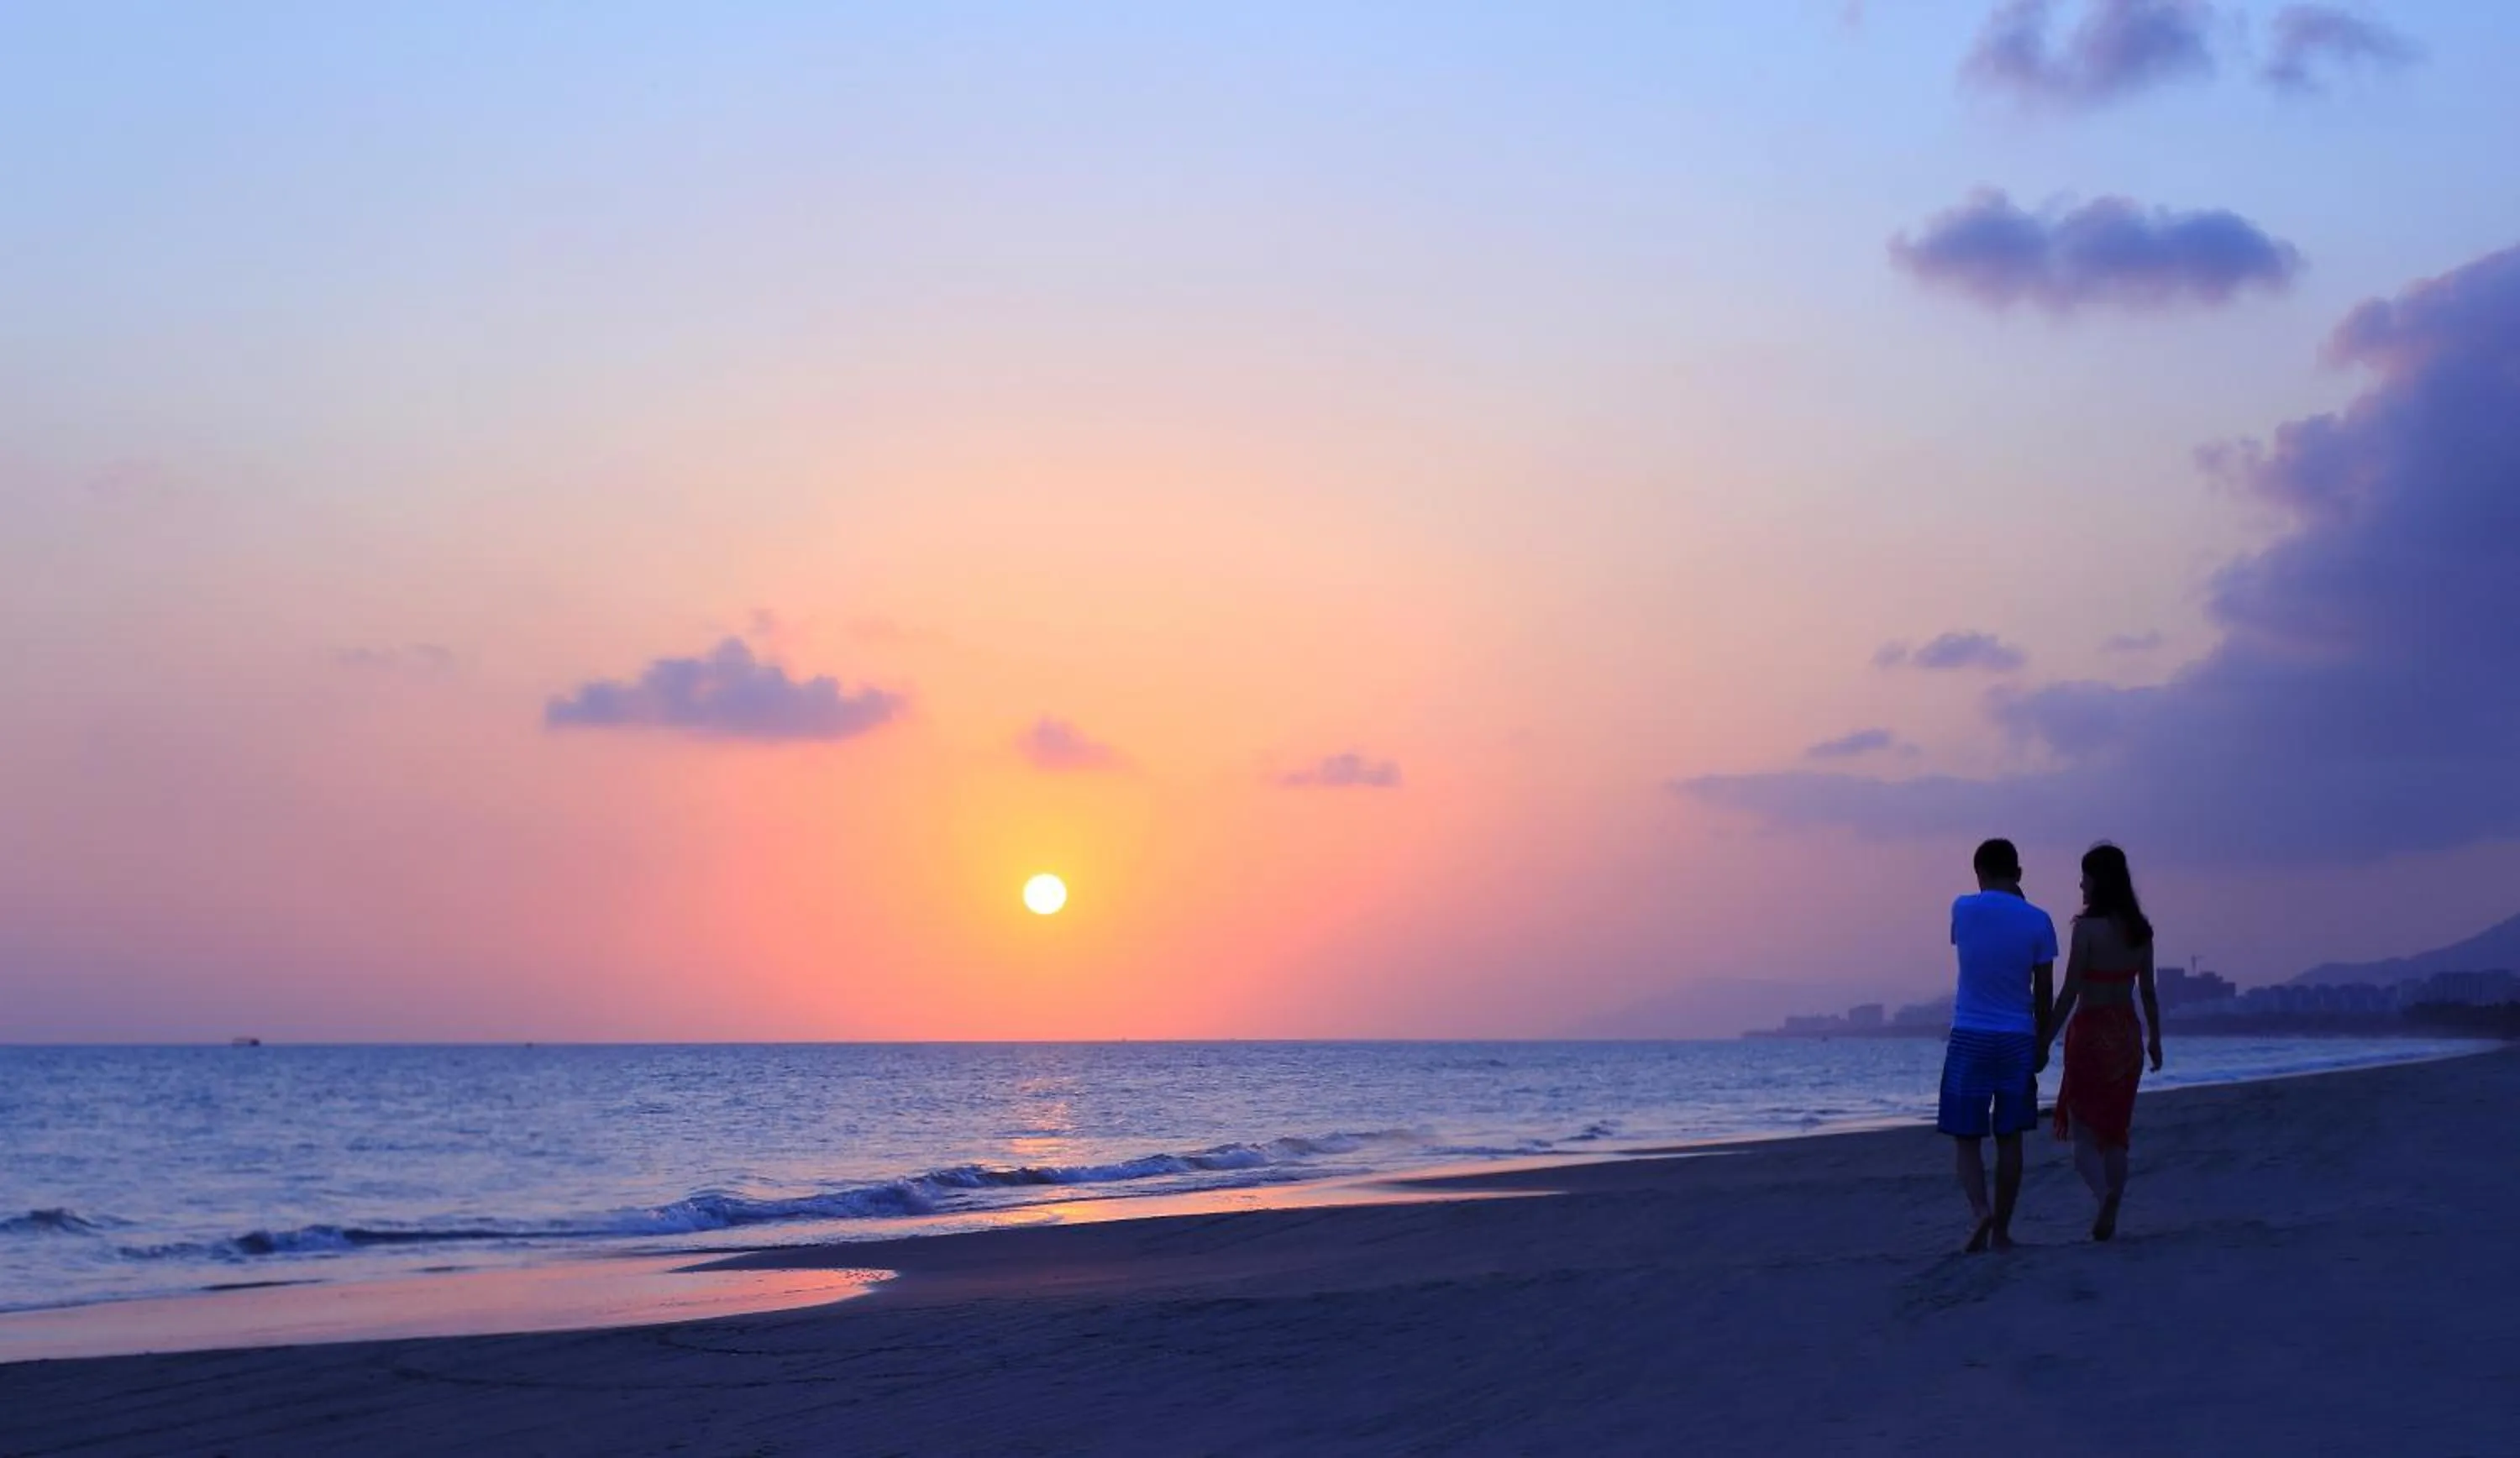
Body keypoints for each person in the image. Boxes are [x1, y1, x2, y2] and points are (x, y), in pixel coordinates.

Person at [1939, 837, 2058, 1253]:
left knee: (1966, 1137)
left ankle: (1980, 1211)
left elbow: (1972, 949)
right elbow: (2044, 992)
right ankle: (2003, 1231)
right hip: (2018, 1036)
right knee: (2010, 1138)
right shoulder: (2040, 920)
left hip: (1970, 1033)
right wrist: (2044, 1041)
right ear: (2019, 874)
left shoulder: (1962, 909)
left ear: (1979, 874)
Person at [2042, 842, 2163, 1241]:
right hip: (2127, 1034)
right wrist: (2155, 1040)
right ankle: (2113, 1201)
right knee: (2116, 1132)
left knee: (2083, 1137)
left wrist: (2044, 1039)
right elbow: (2148, 992)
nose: (2081, 884)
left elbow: (2069, 991)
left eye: (2085, 876)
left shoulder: (2087, 930)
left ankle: (2105, 1196)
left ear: (2098, 880)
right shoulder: (2140, 930)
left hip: (2091, 1036)